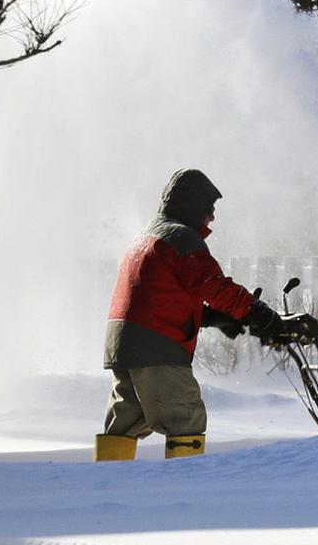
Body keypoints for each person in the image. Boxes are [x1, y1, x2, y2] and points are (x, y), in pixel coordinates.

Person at [95, 169, 278, 462]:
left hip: (123, 345)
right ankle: (184, 493)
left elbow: (161, 296)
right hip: (156, 348)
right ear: (193, 205)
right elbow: (213, 284)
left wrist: (213, 318)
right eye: (209, 209)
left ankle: (108, 486)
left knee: (126, 421)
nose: (212, 218)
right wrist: (259, 313)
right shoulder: (181, 238)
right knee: (185, 418)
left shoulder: (146, 236)